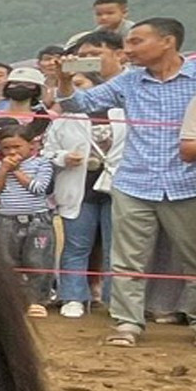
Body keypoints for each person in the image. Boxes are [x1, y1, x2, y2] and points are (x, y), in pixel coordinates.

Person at [51, 18, 196, 347]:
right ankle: (127, 323)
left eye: (136, 42)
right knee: (127, 260)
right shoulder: (130, 80)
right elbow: (80, 104)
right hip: (134, 181)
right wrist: (63, 82)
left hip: (191, 182)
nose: (128, 49)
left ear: (167, 42)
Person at [45, 89, 127, 318]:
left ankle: (117, 300)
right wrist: (64, 157)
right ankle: (73, 297)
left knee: (116, 248)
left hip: (117, 190)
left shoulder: (126, 114)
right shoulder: (66, 119)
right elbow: (47, 152)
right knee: (76, 245)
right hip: (79, 193)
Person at [0, 127, 56, 315]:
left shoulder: (42, 163)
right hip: (7, 219)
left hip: (37, 220)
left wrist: (16, 171)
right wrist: (3, 171)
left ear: (30, 145)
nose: (11, 152)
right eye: (6, 148)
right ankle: (12, 300)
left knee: (38, 260)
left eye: (17, 147)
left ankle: (36, 300)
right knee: (7, 260)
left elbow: (39, 188)